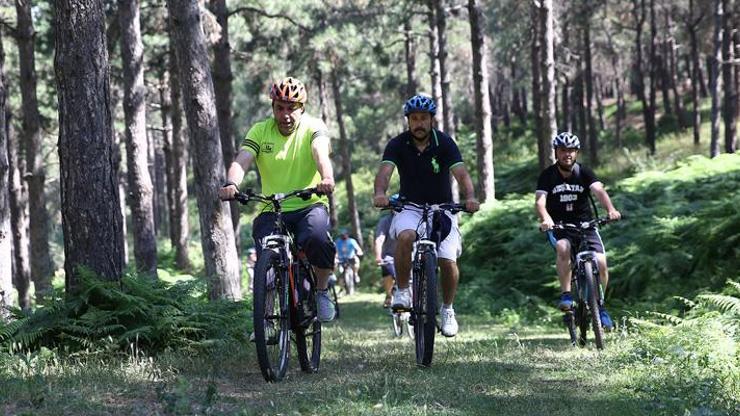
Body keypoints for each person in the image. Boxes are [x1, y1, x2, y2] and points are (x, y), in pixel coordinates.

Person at [218, 76, 337, 322]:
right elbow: (242, 160)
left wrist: (326, 177)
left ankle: (322, 291)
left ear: (301, 108)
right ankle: (266, 318)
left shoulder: (314, 127)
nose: (285, 114)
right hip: (272, 207)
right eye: (280, 108)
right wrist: (232, 183)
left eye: (291, 108)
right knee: (267, 256)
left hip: (309, 203)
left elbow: (320, 153)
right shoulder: (260, 130)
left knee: (317, 239)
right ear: (272, 107)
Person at [372, 94, 480, 337]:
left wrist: (471, 197)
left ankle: (448, 309)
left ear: (432, 120)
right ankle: (401, 291)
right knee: (405, 236)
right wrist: (380, 193)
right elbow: (384, 172)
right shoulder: (397, 144)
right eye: (414, 119)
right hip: (409, 206)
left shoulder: (445, 143)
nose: (418, 123)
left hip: (442, 208)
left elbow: (462, 175)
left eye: (423, 118)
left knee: (447, 259)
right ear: (408, 121)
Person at [534, 132, 621, 330]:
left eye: (572, 150)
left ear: (577, 153)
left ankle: (600, 306)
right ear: (556, 152)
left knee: (601, 262)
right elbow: (540, 202)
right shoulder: (548, 176)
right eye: (563, 150)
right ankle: (566, 294)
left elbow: (599, 190)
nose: (568, 154)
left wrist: (610, 210)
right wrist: (546, 219)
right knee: (563, 248)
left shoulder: (584, 172)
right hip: (560, 226)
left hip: (586, 224)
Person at [374, 209, 397, 308]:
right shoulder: (386, 221)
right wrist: (378, 256)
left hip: (409, 255)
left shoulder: (411, 218)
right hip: (390, 256)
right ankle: (389, 295)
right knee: (388, 271)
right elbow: (379, 239)